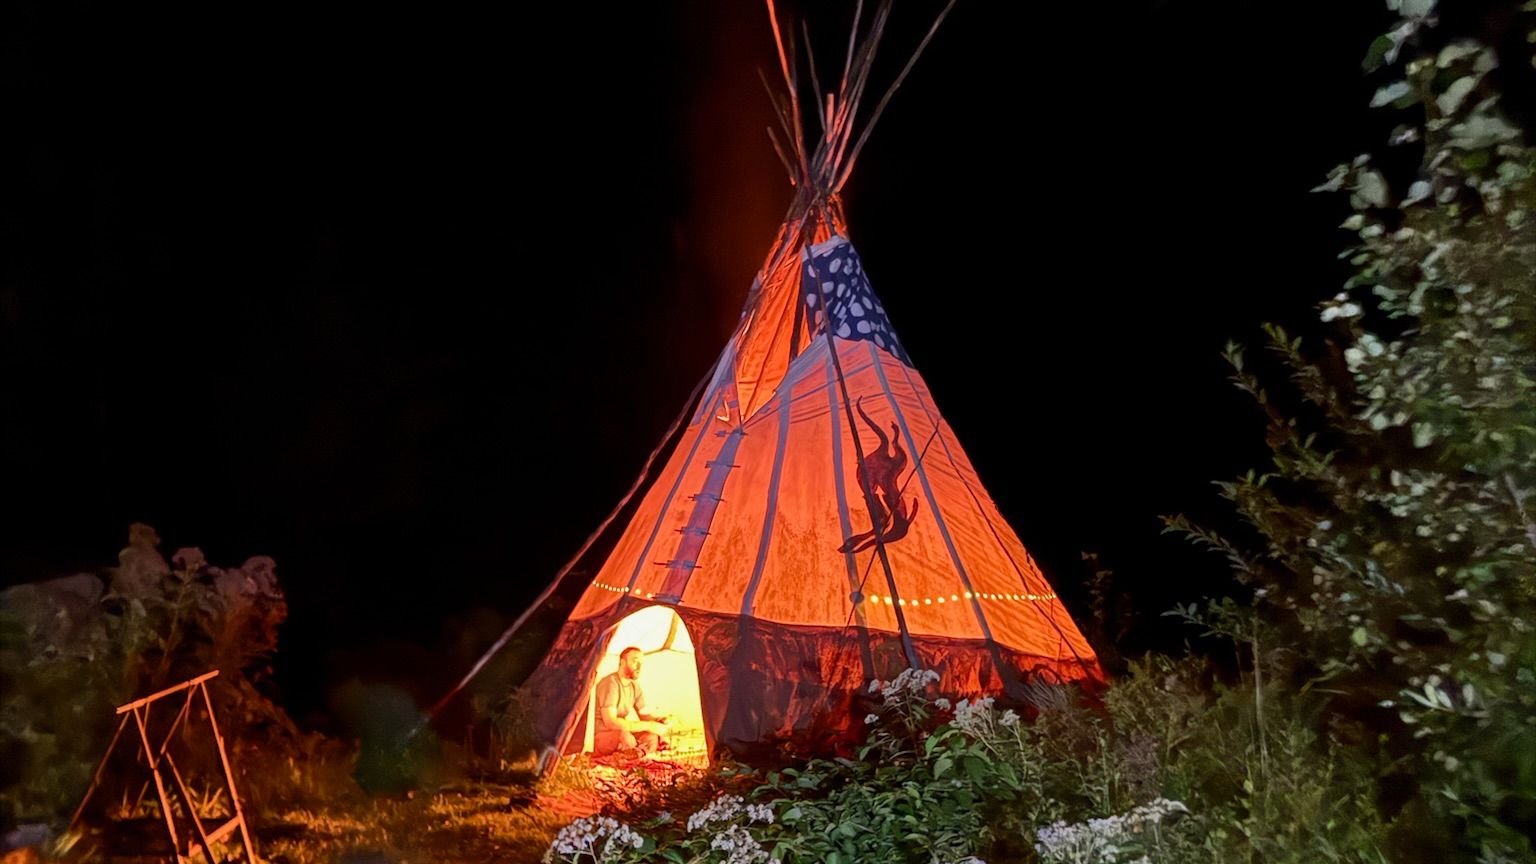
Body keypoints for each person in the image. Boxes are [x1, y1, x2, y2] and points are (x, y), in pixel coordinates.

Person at [592, 646, 671, 758]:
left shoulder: (635, 687)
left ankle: (635, 753)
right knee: (624, 737)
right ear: (623, 663)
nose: (639, 667)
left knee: (651, 736)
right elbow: (611, 723)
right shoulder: (610, 683)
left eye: (641, 663)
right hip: (601, 735)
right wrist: (648, 725)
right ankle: (636, 752)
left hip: (622, 732)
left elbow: (645, 715)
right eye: (635, 662)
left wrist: (659, 721)